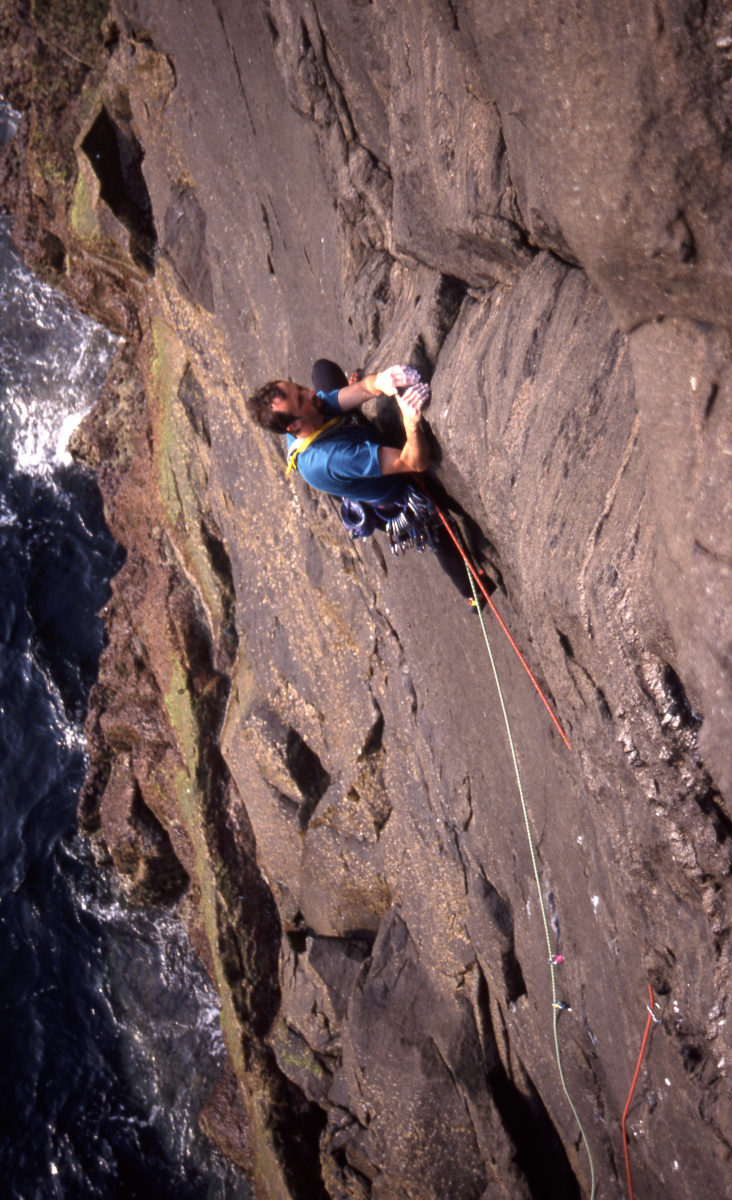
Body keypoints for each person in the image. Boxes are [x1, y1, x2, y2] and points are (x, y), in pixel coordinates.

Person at [247, 359, 475, 601]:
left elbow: (366, 388)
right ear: (294, 425)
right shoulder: (331, 459)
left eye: (299, 388)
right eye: (301, 399)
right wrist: (410, 422)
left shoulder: (310, 412)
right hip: (392, 491)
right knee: (438, 531)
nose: (310, 393)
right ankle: (474, 591)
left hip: (345, 447)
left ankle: (357, 426)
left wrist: (382, 381)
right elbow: (415, 462)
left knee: (321, 370)